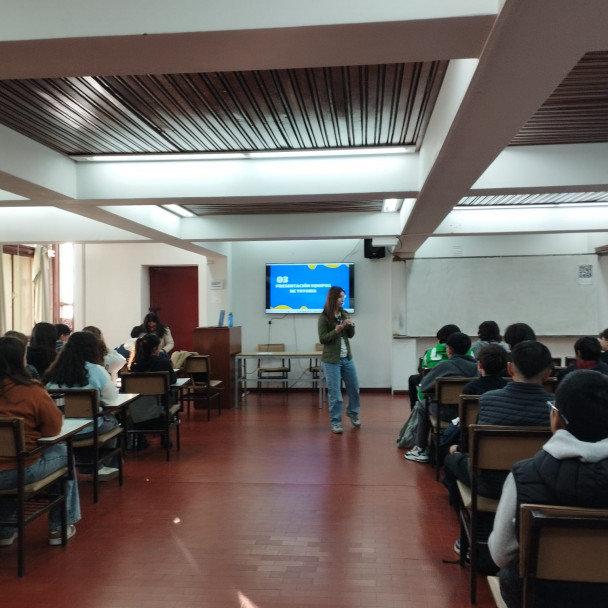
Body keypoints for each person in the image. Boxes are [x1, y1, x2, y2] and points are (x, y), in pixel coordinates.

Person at [488, 370, 608, 608]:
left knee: (508, 575)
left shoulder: (524, 474)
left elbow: (501, 554)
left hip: (539, 597)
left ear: (556, 418)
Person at [443, 340, 553, 510]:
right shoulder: (555, 407)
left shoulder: (488, 399)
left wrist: (459, 449)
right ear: (547, 374)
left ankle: (464, 526)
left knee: (452, 459)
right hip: (538, 486)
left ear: (509, 369)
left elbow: (472, 444)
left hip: (489, 484)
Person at [0, 336, 81, 546]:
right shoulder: (32, 390)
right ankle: (59, 526)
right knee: (65, 453)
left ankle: (6, 529)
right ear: (20, 360)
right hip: (18, 471)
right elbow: (53, 429)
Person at [44, 332, 121, 480]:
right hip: (89, 428)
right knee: (112, 420)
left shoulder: (53, 371)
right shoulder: (96, 370)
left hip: (61, 429)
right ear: (93, 349)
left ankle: (85, 461)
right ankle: (103, 465)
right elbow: (112, 399)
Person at [405, 332, 478, 463]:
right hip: (471, 414)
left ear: (449, 350)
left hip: (446, 413)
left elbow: (424, 387)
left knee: (423, 405)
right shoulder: (477, 367)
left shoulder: (443, 366)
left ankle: (420, 448)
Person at [318, 285, 360, 434]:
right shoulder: (324, 317)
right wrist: (336, 330)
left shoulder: (345, 313)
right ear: (333, 298)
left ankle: (352, 413)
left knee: (354, 388)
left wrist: (351, 325)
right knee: (335, 394)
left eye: (344, 296)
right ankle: (336, 422)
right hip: (331, 360)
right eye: (340, 297)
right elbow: (323, 339)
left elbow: (350, 335)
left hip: (346, 358)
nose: (343, 299)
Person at [128, 333, 177, 449]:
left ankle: (140, 438)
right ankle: (164, 437)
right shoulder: (163, 363)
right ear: (155, 348)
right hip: (160, 405)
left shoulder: (134, 365)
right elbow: (173, 380)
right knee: (169, 395)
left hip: (137, 407)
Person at [408, 324, 461, 406]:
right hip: (461, 395)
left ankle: (415, 412)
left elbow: (422, 371)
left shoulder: (431, 353)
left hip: (435, 396)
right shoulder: (469, 353)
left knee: (413, 378)